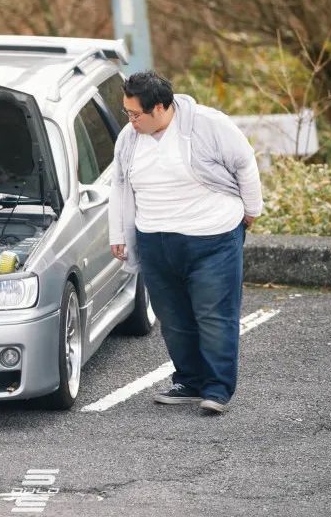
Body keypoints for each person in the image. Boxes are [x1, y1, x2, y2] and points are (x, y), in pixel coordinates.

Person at [108, 70, 262, 415]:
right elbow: (119, 185)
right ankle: (189, 381)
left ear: (161, 107)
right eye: (127, 113)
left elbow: (245, 163)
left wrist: (251, 210)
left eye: (136, 114)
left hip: (212, 237)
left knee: (214, 314)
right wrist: (118, 234)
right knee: (173, 317)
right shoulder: (129, 139)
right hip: (156, 240)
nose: (130, 121)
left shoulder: (210, 125)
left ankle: (218, 389)